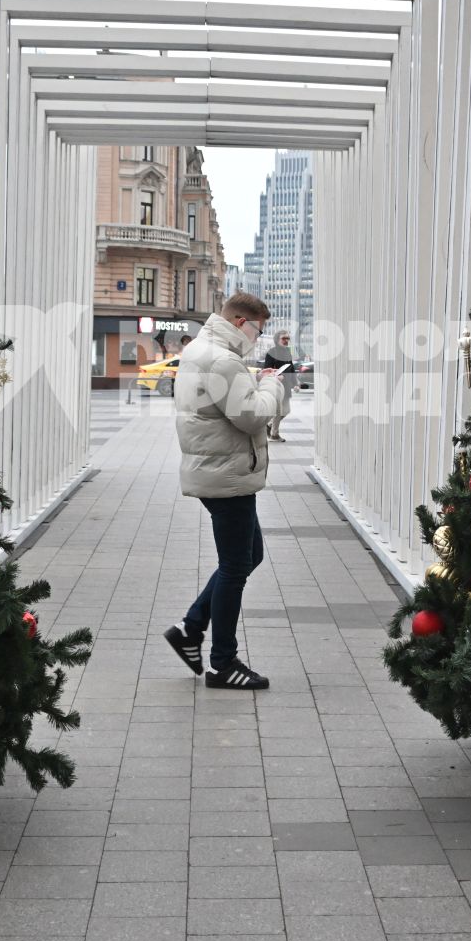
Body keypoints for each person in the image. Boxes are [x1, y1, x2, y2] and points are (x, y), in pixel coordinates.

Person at [162, 293, 286, 690]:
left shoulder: (203, 348)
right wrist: (272, 386)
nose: (258, 337)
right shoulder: (222, 358)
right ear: (238, 321)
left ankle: (190, 628)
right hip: (225, 474)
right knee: (236, 566)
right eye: (256, 329)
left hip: (218, 469)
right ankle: (222, 663)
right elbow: (250, 416)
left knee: (250, 554)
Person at [262, 331, 296, 440]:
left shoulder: (287, 352)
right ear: (277, 339)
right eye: (284, 338)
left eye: (288, 338)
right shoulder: (271, 352)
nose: (286, 340)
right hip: (276, 385)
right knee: (278, 411)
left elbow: (292, 368)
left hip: (286, 386)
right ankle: (274, 434)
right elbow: (267, 370)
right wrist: (275, 376)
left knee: (286, 411)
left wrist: (295, 383)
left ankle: (269, 425)